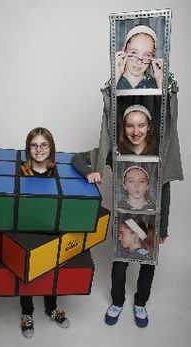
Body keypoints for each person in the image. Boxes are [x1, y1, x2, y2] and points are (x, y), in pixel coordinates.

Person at [71, 74, 183, 328]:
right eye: (130, 126)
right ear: (123, 128)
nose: (136, 131)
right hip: (124, 218)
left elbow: (164, 190)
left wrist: (162, 227)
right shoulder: (115, 152)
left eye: (141, 125)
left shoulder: (158, 155)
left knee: (148, 263)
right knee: (120, 263)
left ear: (149, 126)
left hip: (150, 218)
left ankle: (141, 302)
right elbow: (77, 159)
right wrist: (90, 172)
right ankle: (118, 301)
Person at [20, 127, 70, 338]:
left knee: (51, 268)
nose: (39, 149)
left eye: (44, 145)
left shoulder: (58, 171)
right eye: (34, 145)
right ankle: (27, 313)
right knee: (26, 270)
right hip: (26, 227)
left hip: (51, 228)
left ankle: (51, 308)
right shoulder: (20, 172)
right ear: (28, 148)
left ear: (51, 148)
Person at [116, 25, 163, 89]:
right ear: (124, 50)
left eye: (147, 55)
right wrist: (115, 78)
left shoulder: (155, 85)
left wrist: (161, 85)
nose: (139, 62)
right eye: (134, 52)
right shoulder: (114, 81)